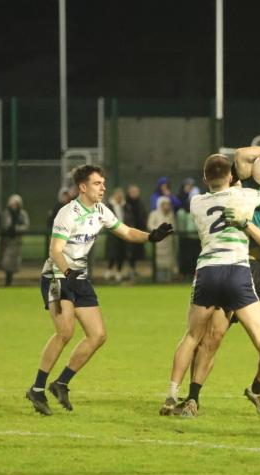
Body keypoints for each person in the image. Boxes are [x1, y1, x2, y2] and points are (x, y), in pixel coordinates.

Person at [166, 152, 260, 418]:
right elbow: (241, 156)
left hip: (253, 271)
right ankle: (193, 398)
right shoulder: (249, 189)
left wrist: (247, 225)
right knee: (212, 339)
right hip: (237, 267)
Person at [26, 164, 174, 416]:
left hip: (78, 277)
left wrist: (150, 237)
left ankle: (60, 383)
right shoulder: (67, 213)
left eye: (103, 183)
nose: (103, 187)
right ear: (82, 187)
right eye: (97, 183)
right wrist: (69, 275)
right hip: (57, 276)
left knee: (98, 335)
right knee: (65, 332)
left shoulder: (101, 210)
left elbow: (125, 231)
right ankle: (37, 389)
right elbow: (55, 250)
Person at [0, 194, 29, 286]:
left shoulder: (22, 214)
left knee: (12, 263)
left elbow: (26, 226)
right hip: (7, 241)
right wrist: (9, 228)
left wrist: (16, 228)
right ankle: (7, 281)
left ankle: (9, 281)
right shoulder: (6, 213)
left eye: (15, 204)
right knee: (6, 261)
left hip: (17, 241)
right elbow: (4, 225)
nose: (14, 206)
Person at [147, 195, 178, 282]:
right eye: (165, 204)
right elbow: (150, 225)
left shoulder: (171, 215)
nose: (166, 206)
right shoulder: (154, 214)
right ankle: (158, 280)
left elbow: (174, 227)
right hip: (157, 244)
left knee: (168, 263)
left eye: (168, 204)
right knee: (158, 264)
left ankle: (168, 280)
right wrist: (159, 231)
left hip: (168, 243)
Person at [123, 184, 148, 280]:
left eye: (136, 192)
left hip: (139, 231)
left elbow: (143, 216)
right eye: (132, 192)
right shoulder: (126, 204)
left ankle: (136, 271)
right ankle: (129, 271)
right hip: (128, 232)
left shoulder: (140, 204)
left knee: (138, 253)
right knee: (129, 253)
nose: (134, 194)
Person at [103, 188, 127, 282]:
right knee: (112, 253)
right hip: (112, 234)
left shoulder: (125, 206)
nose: (120, 197)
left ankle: (119, 272)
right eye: (118, 195)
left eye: (121, 195)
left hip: (123, 233)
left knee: (121, 254)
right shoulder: (108, 206)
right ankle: (109, 270)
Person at [46, 187, 72, 257]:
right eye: (64, 195)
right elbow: (51, 220)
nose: (65, 197)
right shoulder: (56, 207)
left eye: (66, 195)